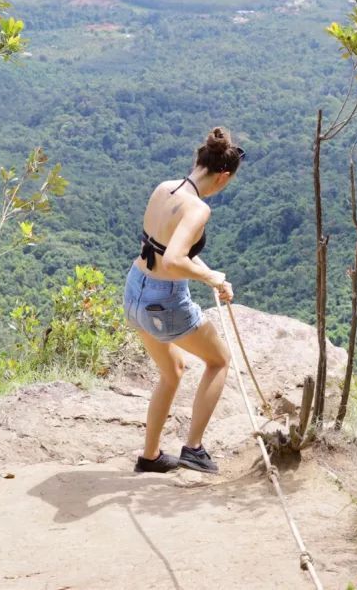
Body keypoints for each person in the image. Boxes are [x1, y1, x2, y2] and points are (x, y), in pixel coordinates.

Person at [123, 127, 245, 474]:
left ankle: (150, 456)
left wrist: (211, 275)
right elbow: (176, 260)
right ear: (223, 177)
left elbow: (162, 248)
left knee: (172, 371)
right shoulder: (198, 210)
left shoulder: (164, 188)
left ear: (197, 160)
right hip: (166, 300)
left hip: (135, 290)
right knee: (219, 361)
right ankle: (193, 449)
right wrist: (211, 278)